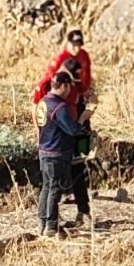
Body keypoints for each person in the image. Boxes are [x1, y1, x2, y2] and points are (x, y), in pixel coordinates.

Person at [32, 58, 93, 229]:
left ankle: (44, 222)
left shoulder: (45, 100)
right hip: (58, 149)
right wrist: (83, 118)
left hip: (49, 147)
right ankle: (51, 226)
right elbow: (73, 129)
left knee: (48, 186)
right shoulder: (59, 106)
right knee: (54, 188)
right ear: (65, 85)